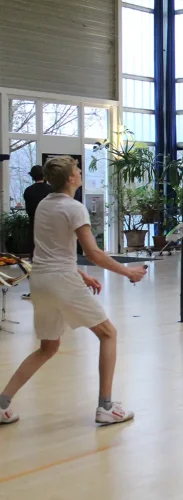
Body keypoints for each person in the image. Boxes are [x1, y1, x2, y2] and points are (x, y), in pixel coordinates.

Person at [0, 156, 147, 426]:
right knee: (108, 334)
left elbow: (50, 250)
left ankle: (2, 404)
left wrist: (81, 275)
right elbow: (93, 253)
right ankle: (105, 406)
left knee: (48, 347)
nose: (80, 173)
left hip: (41, 281)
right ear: (71, 179)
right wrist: (129, 272)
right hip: (61, 280)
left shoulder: (45, 204)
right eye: (78, 170)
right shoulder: (75, 208)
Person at [21, 165, 53, 299]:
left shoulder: (28, 191)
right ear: (45, 176)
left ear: (32, 176)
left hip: (34, 227)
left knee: (34, 260)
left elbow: (29, 211)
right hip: (51, 229)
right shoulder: (51, 190)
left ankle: (35, 290)